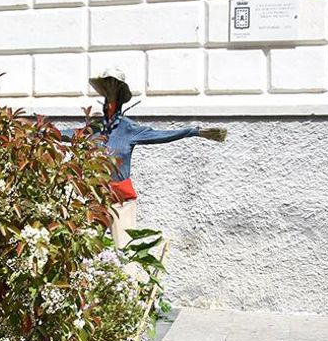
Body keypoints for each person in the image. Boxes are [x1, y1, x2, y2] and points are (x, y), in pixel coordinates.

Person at [82, 67, 226, 245]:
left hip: (122, 200)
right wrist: (39, 133)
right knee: (85, 247)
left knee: (125, 251)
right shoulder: (95, 128)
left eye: (113, 91)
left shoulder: (129, 129)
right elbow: (70, 134)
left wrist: (193, 132)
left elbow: (160, 135)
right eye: (107, 90)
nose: (110, 98)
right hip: (96, 196)